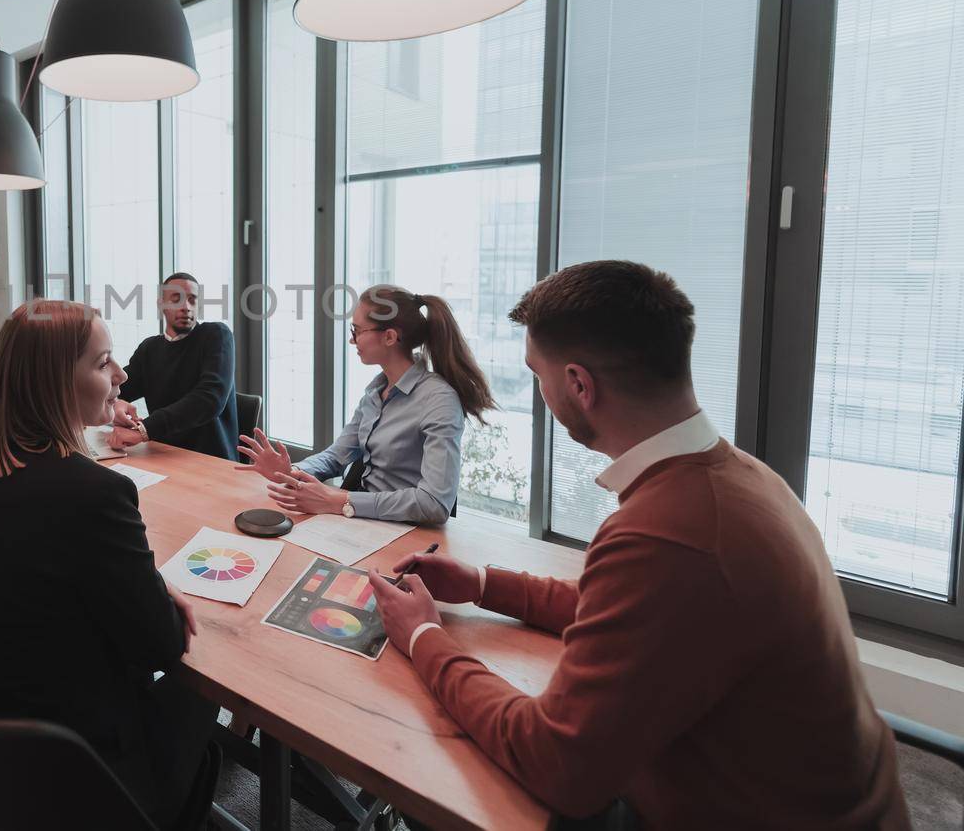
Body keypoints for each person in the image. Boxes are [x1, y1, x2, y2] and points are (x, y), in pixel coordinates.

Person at [366, 261, 907, 828]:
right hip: (812, 796)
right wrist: (482, 585)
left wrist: (424, 637)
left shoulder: (669, 532)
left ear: (579, 384)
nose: (540, 391)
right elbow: (636, 607)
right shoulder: (737, 476)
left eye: (537, 374)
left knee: (438, 776)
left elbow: (557, 763)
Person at [0, 299, 218, 827]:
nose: (120, 376)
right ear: (53, 380)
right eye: (102, 363)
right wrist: (157, 591)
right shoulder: (94, 493)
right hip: (83, 764)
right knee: (213, 680)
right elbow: (160, 645)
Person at [238, 285, 493, 524]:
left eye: (357, 331)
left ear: (390, 337)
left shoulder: (438, 400)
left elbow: (434, 503)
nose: (352, 341)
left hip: (404, 532)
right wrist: (290, 471)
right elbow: (336, 456)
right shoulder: (376, 391)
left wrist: (342, 501)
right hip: (363, 522)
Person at [108, 271, 238, 461]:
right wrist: (115, 403)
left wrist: (144, 430)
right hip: (161, 453)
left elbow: (210, 398)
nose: (186, 307)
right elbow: (120, 387)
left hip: (210, 459)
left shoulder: (216, 335)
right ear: (161, 304)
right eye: (176, 299)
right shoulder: (149, 349)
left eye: (192, 300)